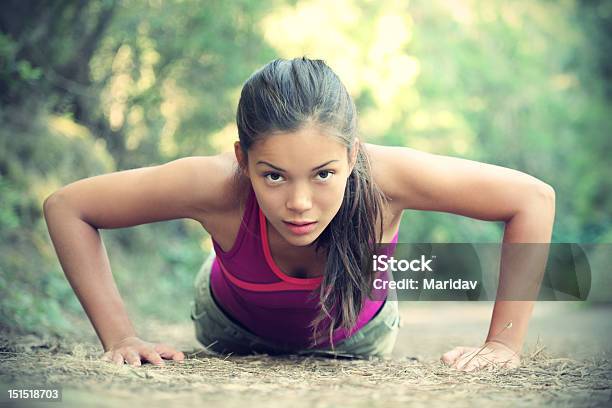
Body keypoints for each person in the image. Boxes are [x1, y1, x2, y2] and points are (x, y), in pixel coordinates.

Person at [43, 57, 555, 371]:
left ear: (353, 156)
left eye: (324, 174)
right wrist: (121, 337)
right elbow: (68, 207)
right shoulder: (216, 184)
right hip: (229, 325)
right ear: (243, 159)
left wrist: (502, 345)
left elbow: (531, 200)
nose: (300, 203)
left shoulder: (386, 178)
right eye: (273, 176)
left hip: (359, 336)